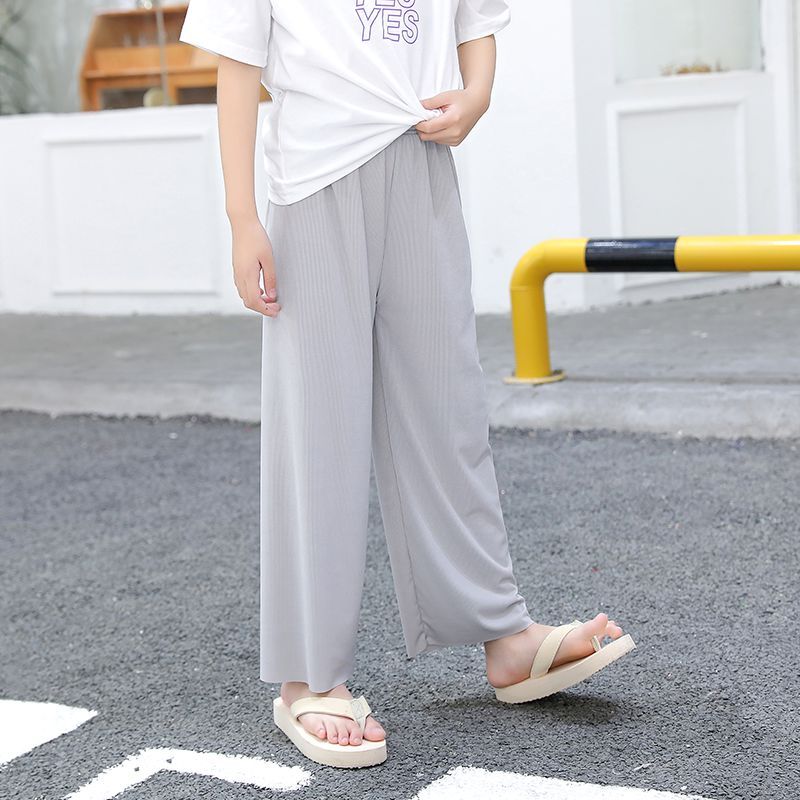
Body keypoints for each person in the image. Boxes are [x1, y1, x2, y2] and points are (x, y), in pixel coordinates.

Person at [179, 0, 635, 770]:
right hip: (315, 177)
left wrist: (478, 92)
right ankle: (306, 677)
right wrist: (241, 217)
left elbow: (474, 19)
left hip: (420, 162)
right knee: (319, 428)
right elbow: (236, 61)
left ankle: (504, 635)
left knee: (447, 411)